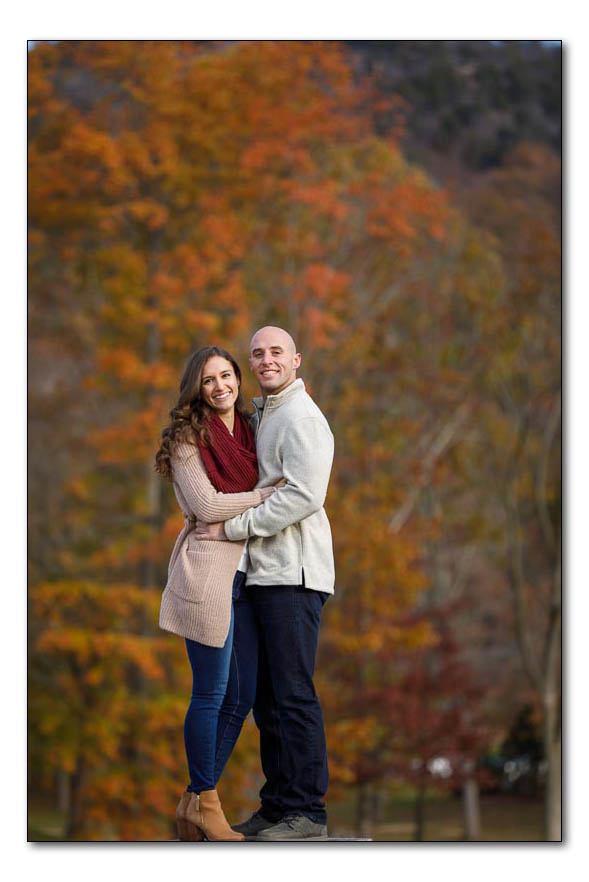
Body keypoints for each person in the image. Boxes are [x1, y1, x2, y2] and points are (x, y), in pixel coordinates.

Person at [194, 326, 335, 841]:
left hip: (294, 573)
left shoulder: (301, 417)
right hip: (264, 573)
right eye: (258, 353)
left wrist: (234, 527)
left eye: (277, 351)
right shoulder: (264, 416)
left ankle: (308, 813)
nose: (267, 359)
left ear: (296, 360)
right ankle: (278, 807)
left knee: (293, 694)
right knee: (268, 698)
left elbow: (304, 496)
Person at [155, 345, 278, 842]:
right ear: (197, 388)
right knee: (210, 692)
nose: (220, 386)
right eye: (209, 380)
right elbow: (207, 505)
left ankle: (194, 799)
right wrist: (268, 495)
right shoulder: (188, 438)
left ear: (238, 379)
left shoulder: (250, 429)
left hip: (246, 575)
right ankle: (206, 801)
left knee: (241, 694)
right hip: (206, 574)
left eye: (226, 376)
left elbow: (230, 501)